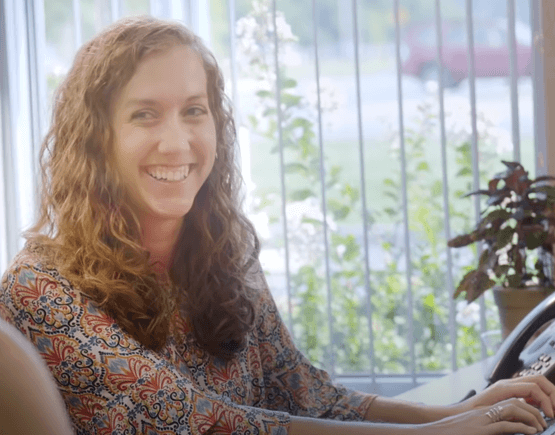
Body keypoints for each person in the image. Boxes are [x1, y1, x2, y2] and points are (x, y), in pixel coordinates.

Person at [0, 15, 554, 435]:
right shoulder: (38, 291)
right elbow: (210, 424)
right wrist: (442, 432)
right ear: (96, 140)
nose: (178, 142)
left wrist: (459, 410)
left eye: (195, 110)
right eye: (145, 114)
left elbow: (303, 393)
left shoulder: (221, 252)